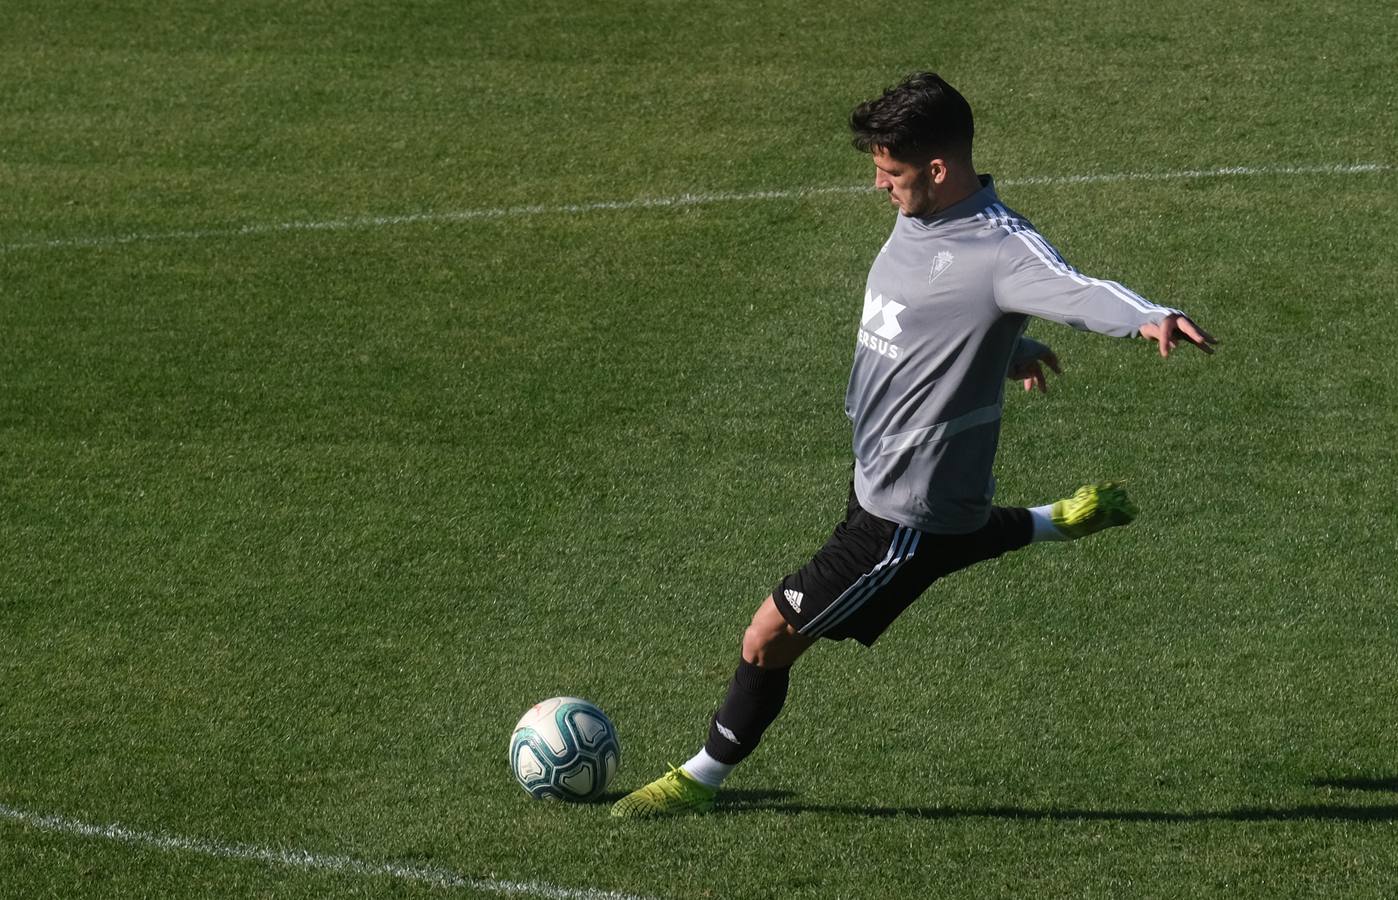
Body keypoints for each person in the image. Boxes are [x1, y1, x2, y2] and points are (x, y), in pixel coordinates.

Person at [610, 72, 1216, 818]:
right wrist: (1009, 346)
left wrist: (1150, 315)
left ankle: (699, 779)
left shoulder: (1002, 248)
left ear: (938, 168)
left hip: (903, 509)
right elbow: (937, 315)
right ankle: (1060, 519)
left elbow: (1077, 287)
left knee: (768, 637)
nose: (878, 187)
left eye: (889, 172)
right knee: (953, 535)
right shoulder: (921, 219)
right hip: (883, 475)